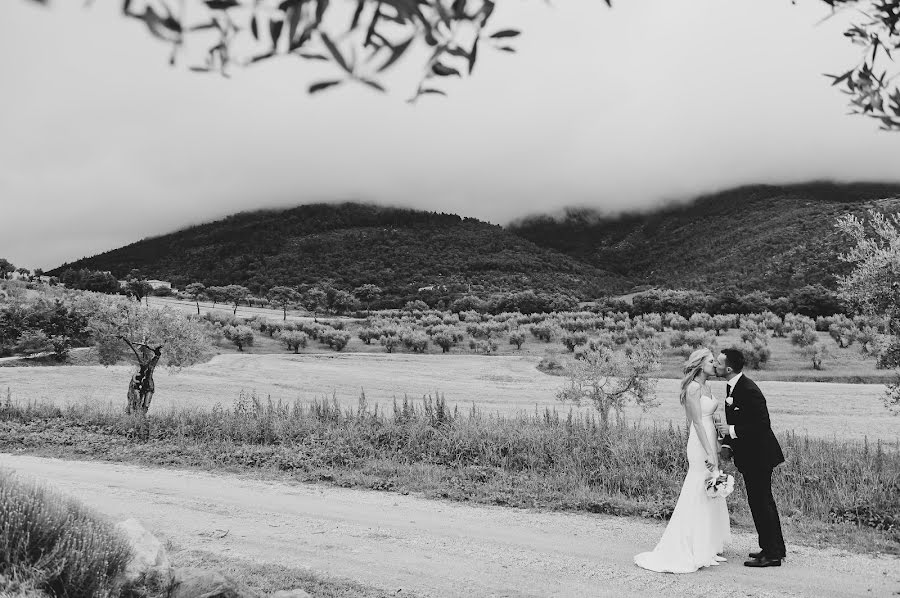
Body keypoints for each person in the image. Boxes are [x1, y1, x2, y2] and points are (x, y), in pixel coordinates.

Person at [634, 348, 731, 573]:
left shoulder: (707, 386)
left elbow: (709, 418)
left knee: (710, 489)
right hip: (699, 442)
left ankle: (707, 545)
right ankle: (692, 547)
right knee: (698, 488)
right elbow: (697, 423)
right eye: (710, 361)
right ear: (699, 364)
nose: (714, 364)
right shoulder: (694, 387)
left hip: (710, 438)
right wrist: (708, 451)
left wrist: (717, 441)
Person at [714, 348, 786, 567]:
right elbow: (736, 418)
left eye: (718, 363)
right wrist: (728, 443)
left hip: (760, 456)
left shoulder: (749, 389)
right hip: (751, 456)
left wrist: (731, 429)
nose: (715, 366)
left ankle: (772, 555)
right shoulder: (732, 386)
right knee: (760, 503)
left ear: (728, 368)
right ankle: (773, 548)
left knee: (762, 503)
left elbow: (762, 425)